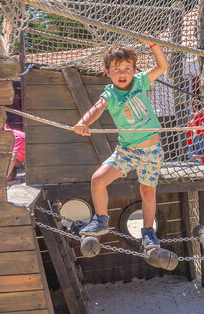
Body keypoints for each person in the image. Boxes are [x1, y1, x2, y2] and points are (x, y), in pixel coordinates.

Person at [72, 38, 169, 256]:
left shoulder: (140, 82)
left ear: (134, 70)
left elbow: (163, 67)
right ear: (108, 72)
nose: (122, 73)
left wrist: (152, 45)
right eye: (116, 69)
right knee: (97, 180)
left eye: (127, 68)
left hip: (152, 152)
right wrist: (83, 123)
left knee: (147, 190)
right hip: (127, 152)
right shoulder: (111, 94)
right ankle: (101, 220)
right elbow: (97, 108)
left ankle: (147, 232)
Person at [186, 98, 204, 163]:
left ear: (194, 107)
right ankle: (202, 158)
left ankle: (195, 157)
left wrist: (192, 138)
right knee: (202, 151)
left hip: (199, 136)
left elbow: (194, 130)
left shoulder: (197, 116)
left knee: (199, 154)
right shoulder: (203, 114)